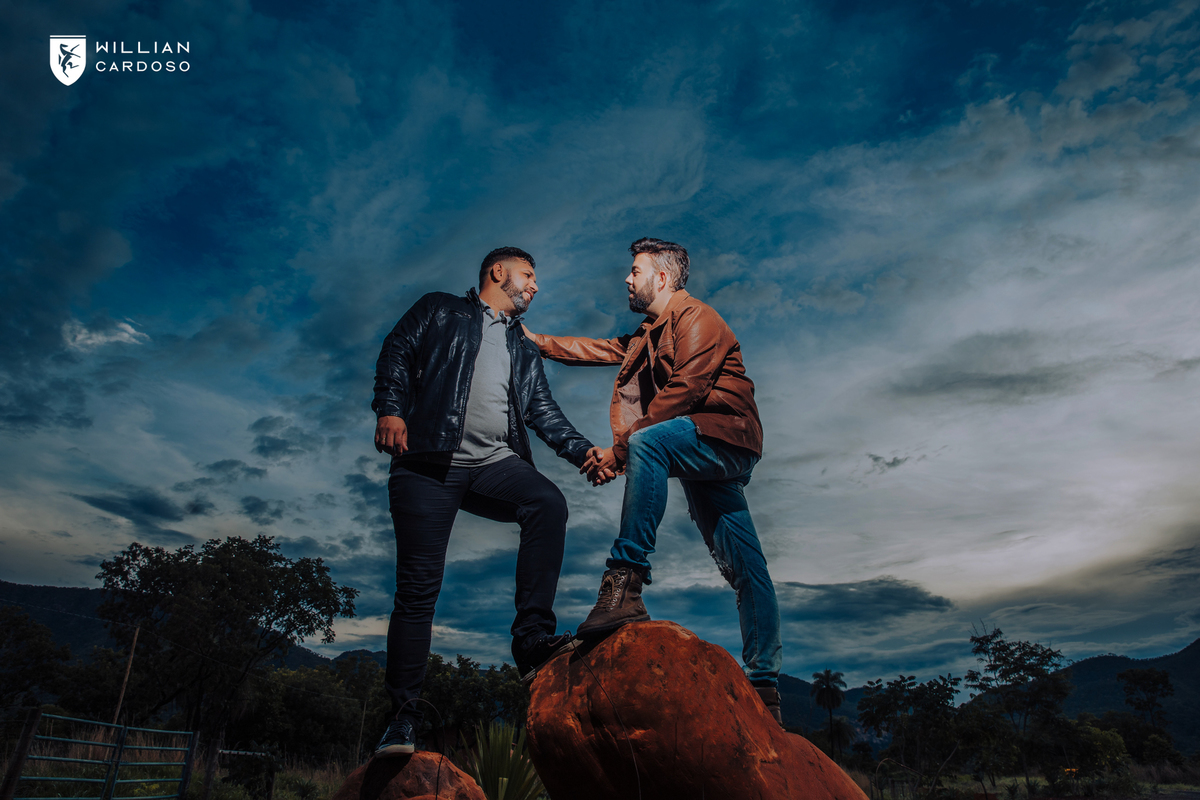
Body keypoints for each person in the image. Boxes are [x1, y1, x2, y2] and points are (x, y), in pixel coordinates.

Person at [525, 237, 784, 725]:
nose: (627, 278)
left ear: (661, 278)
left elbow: (686, 390)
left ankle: (624, 582)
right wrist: (535, 342)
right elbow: (595, 348)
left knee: (648, 442)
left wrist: (621, 451)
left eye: (635, 270)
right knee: (748, 568)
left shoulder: (700, 319)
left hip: (725, 438)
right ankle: (767, 690)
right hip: (696, 449)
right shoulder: (648, 333)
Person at [371, 246, 599, 756]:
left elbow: (542, 409)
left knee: (547, 503)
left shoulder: (521, 345)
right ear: (500, 272)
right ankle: (401, 721)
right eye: (530, 275)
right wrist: (390, 408)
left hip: (494, 463)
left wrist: (584, 452)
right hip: (427, 461)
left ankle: (531, 640)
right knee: (418, 592)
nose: (536, 286)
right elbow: (397, 352)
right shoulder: (440, 309)